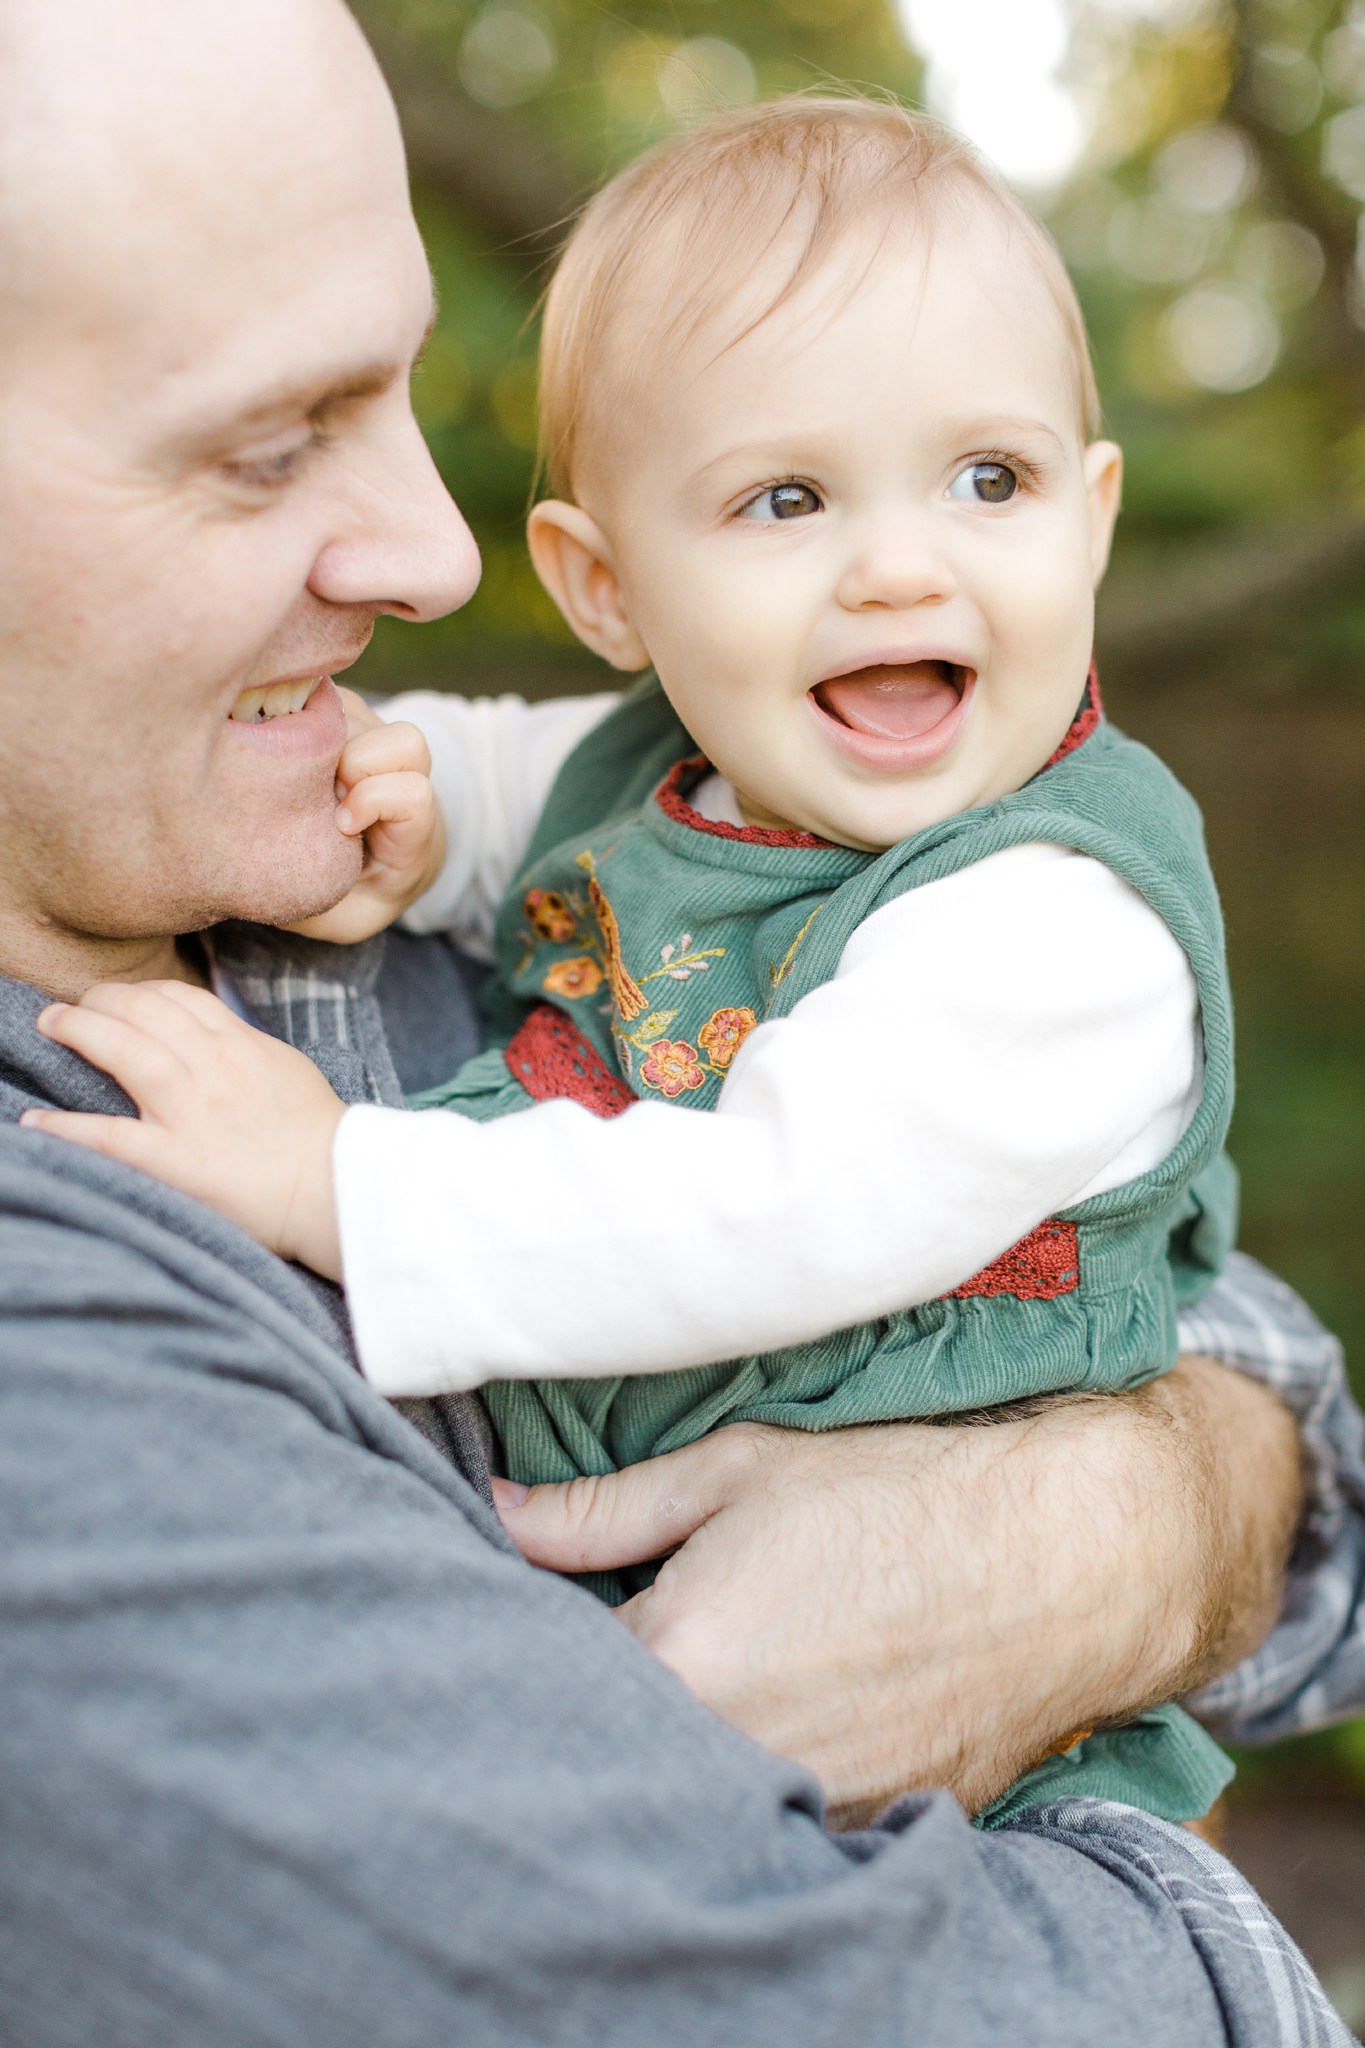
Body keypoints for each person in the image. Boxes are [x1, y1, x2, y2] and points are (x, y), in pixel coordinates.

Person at [0, 0, 1359, 2039]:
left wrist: (1145, 1515)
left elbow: (1276, 1422)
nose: (423, 550)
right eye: (269, 444)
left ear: (1081, 512)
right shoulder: (63, 1319)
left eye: (982, 477)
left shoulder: (1041, 912)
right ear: (609, 580)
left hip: (1034, 1788)